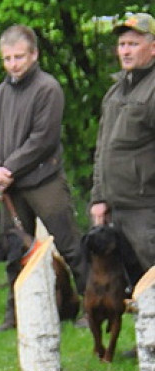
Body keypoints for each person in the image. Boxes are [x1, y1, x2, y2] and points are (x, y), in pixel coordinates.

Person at [0, 25, 86, 331]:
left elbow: (42, 139)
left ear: (34, 55)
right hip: (11, 187)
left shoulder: (48, 88)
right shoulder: (1, 93)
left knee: (70, 246)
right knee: (15, 250)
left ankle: (89, 304)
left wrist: (9, 168)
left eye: (19, 57)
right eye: (7, 58)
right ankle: (15, 312)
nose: (13, 64)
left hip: (45, 182)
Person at [90, 13, 155, 278]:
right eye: (122, 44)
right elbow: (102, 150)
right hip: (115, 210)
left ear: (153, 47)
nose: (125, 51)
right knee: (132, 292)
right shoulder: (115, 92)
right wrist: (98, 199)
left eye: (133, 44)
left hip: (145, 211)